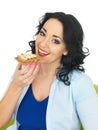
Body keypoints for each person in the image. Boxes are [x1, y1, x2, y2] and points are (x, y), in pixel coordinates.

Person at [0, 12, 98, 130]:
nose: (43, 43)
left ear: (66, 49)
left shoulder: (80, 83)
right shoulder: (24, 72)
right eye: (42, 33)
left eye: (55, 41)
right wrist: (16, 85)